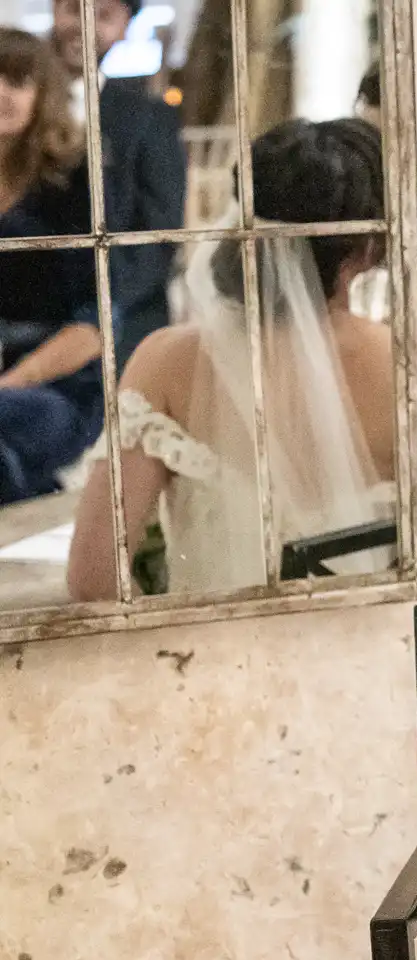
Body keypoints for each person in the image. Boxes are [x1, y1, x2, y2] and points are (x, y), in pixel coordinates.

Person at [66, 118, 392, 599]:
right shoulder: (405, 368)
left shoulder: (166, 362)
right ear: (365, 251)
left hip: (212, 663)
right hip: (377, 660)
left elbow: (93, 577)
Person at [51, 0, 186, 363]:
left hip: (124, 321)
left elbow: (160, 229)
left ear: (125, 28)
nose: (84, 25)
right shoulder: (18, 110)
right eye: (72, 9)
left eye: (104, 16)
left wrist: (100, 307)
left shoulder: (148, 118)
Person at [0, 26, 100, 504]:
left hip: (58, 383)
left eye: (17, 80)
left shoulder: (74, 181)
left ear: (43, 94)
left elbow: (95, 322)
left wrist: (12, 382)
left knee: (29, 417)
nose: (1, 92)